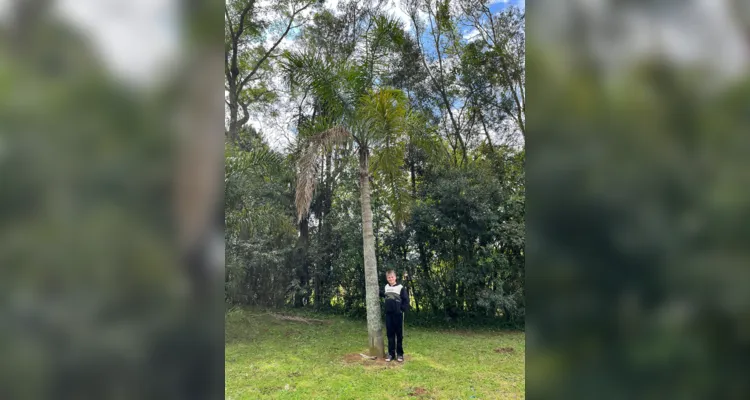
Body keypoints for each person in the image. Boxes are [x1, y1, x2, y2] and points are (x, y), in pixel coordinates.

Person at [380, 269, 409, 362]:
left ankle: (400, 354)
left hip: (398, 315)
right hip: (389, 314)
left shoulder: (400, 287)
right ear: (387, 278)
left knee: (399, 335)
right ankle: (391, 354)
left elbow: (405, 300)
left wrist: (402, 309)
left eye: (392, 277)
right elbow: (386, 296)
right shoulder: (386, 287)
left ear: (395, 277)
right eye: (389, 277)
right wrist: (378, 292)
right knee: (390, 335)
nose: (390, 279)